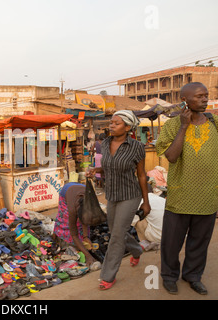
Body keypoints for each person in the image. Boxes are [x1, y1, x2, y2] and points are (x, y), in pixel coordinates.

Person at [155, 82, 218, 295]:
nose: (205, 99)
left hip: (209, 193)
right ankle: (169, 276)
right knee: (172, 241)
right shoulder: (172, 126)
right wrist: (184, 127)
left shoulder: (215, 123)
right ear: (185, 100)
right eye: (199, 96)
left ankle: (193, 275)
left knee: (200, 240)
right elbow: (171, 156)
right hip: (181, 193)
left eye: (206, 95)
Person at [86, 110, 151, 290]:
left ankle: (108, 275)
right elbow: (108, 167)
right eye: (111, 122)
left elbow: (141, 175)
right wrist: (95, 170)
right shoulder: (105, 143)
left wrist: (146, 202)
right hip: (112, 194)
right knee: (117, 231)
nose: (111, 125)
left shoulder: (136, 147)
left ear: (128, 127)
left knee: (115, 236)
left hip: (130, 195)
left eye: (116, 123)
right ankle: (137, 249)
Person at [53, 182, 98, 268]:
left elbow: (85, 219)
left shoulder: (91, 201)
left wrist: (85, 237)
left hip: (81, 188)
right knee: (65, 221)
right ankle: (55, 236)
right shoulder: (72, 210)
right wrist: (88, 256)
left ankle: (83, 241)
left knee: (83, 224)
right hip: (67, 190)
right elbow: (74, 235)